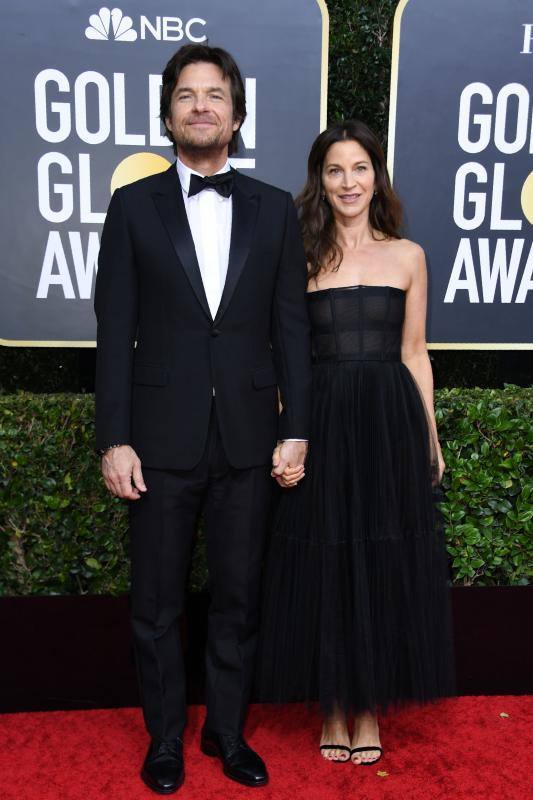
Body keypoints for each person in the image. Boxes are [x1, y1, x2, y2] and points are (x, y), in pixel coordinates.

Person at [94, 44, 311, 794]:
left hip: (251, 440)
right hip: (157, 440)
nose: (199, 106)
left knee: (239, 598)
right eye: (185, 95)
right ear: (167, 115)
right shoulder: (132, 207)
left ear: (236, 114)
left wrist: (298, 426)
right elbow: (114, 327)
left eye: (213, 95)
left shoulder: (274, 209)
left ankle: (225, 730)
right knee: (155, 604)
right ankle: (163, 740)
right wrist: (114, 437)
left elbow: (292, 330)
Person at [258, 120, 454, 765]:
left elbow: (415, 352)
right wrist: (292, 435)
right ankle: (333, 704)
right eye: (335, 170)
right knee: (326, 562)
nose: (348, 182)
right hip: (324, 420)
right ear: (320, 179)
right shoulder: (300, 255)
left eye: (360, 168)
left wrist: (430, 436)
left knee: (380, 562)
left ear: (377, 177)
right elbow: (285, 355)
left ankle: (368, 705)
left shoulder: (409, 255)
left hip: (388, 421)